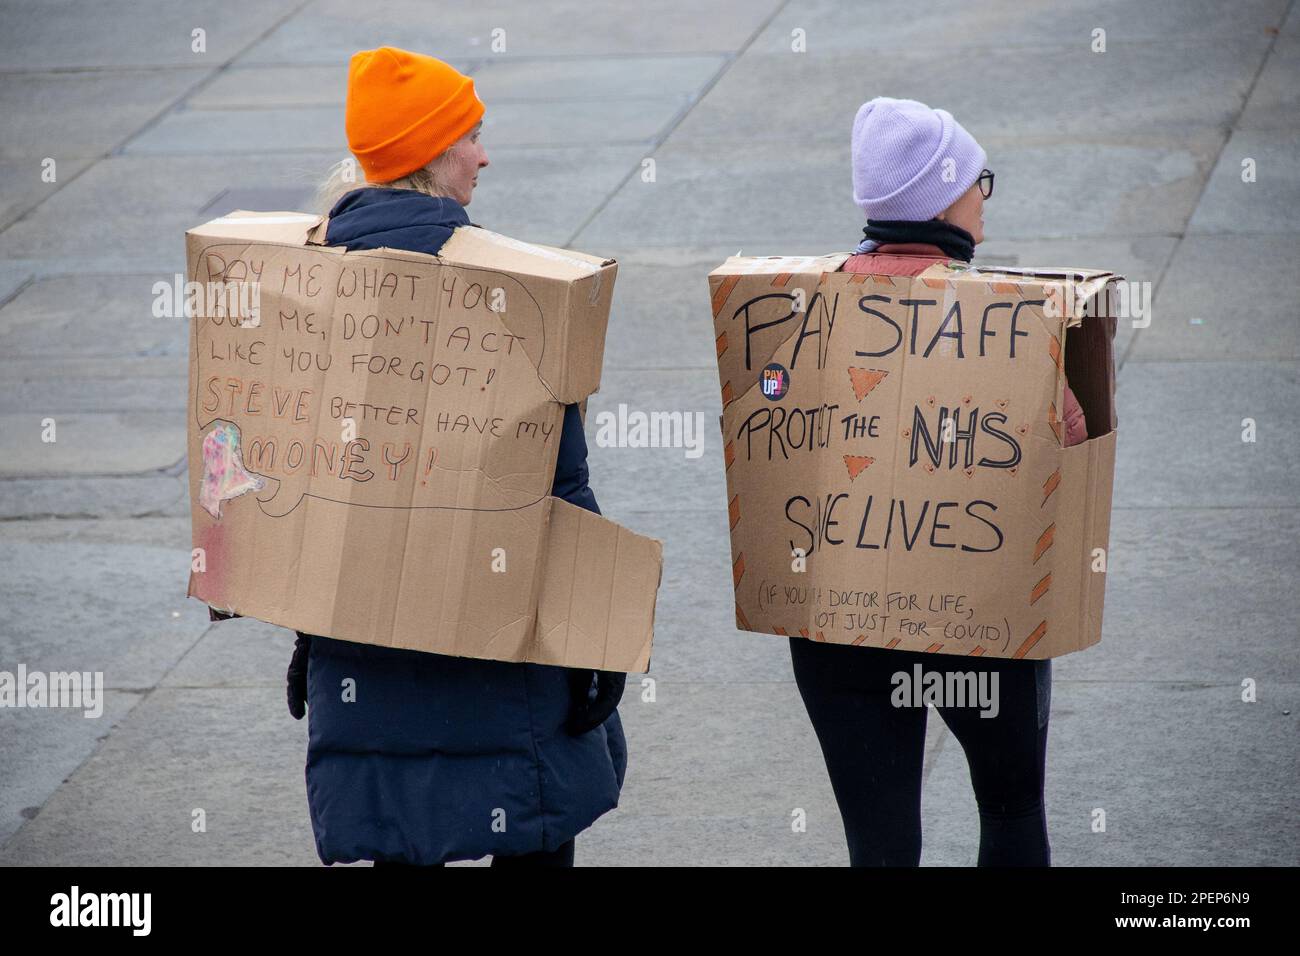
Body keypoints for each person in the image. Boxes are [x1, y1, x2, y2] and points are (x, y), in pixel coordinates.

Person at [281, 46, 628, 868]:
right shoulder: (520, 295)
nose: (484, 153)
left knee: (401, 834)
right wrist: (593, 642)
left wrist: (308, 636)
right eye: (471, 135)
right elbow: (561, 493)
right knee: (530, 825)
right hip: (504, 657)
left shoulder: (301, 291)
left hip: (361, 651)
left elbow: (293, 489)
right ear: (434, 155)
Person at [789, 97, 1088, 867]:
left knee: (879, 845)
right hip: (978, 619)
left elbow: (768, 426)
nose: (985, 200)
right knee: (1012, 806)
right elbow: (1071, 446)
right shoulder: (1009, 325)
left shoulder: (797, 310)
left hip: (839, 622)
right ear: (947, 193)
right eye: (979, 180)